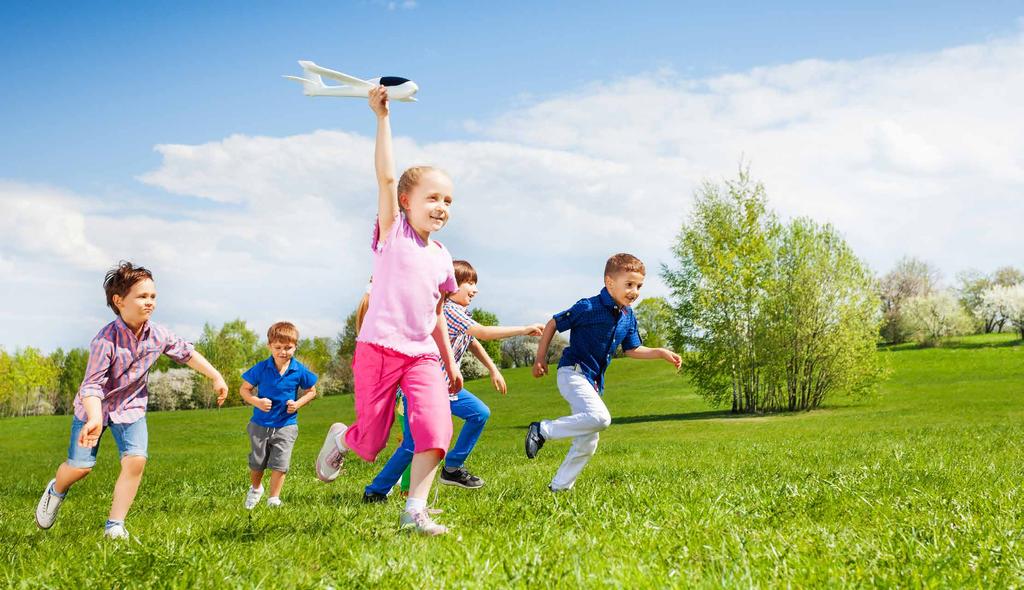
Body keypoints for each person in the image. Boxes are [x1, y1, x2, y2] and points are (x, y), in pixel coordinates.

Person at [314, 85, 462, 535]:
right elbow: (384, 177)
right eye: (433, 198)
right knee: (372, 442)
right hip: (378, 350)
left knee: (436, 429)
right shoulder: (392, 233)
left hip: (421, 355)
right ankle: (343, 437)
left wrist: (449, 361)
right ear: (406, 202)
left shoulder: (442, 257)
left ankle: (415, 508)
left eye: (448, 201)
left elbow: (436, 313)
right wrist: (382, 118)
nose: (441, 207)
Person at [34, 262, 228, 539]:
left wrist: (216, 376)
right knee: (80, 468)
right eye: (142, 296)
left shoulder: (158, 334)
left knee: (136, 460)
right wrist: (95, 416)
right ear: (119, 301)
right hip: (93, 409)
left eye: (153, 296)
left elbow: (185, 353)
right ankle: (57, 490)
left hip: (131, 407)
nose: (149, 302)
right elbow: (91, 385)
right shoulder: (105, 340)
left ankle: (115, 525)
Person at [363, 259, 544, 501]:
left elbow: (473, 341)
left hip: (446, 389)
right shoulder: (449, 309)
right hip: (421, 390)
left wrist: (493, 369)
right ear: (451, 286)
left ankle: (452, 467)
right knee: (412, 444)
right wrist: (523, 329)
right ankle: (376, 491)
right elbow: (482, 332)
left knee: (479, 413)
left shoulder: (459, 314)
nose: (475, 289)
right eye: (469, 283)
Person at [525, 253, 682, 491]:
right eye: (629, 284)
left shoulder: (628, 317)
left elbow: (632, 349)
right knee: (601, 419)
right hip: (572, 372)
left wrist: (659, 352)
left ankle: (559, 488)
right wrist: (540, 358)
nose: (635, 291)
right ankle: (542, 430)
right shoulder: (588, 307)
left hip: (592, 382)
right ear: (610, 282)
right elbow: (554, 324)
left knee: (589, 440)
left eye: (639, 286)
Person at [239, 322, 318, 509]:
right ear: (269, 346)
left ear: (295, 346)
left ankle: (273, 499)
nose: (283, 352)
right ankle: (256, 488)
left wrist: (298, 403)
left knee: (280, 463)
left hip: (286, 424)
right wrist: (257, 401)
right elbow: (244, 390)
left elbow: (312, 391)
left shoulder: (299, 370)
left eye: (288, 347)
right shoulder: (261, 368)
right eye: (278, 347)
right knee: (257, 463)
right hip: (260, 424)